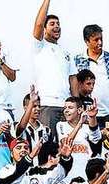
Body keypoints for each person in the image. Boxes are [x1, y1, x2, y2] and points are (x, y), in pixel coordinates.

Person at [32, 0, 77, 132]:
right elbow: (38, 24)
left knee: (66, 146)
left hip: (66, 107)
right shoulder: (40, 46)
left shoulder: (66, 53)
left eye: (58, 24)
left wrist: (75, 104)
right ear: (45, 29)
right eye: (52, 24)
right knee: (48, 145)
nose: (56, 26)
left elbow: (73, 79)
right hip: (47, 105)